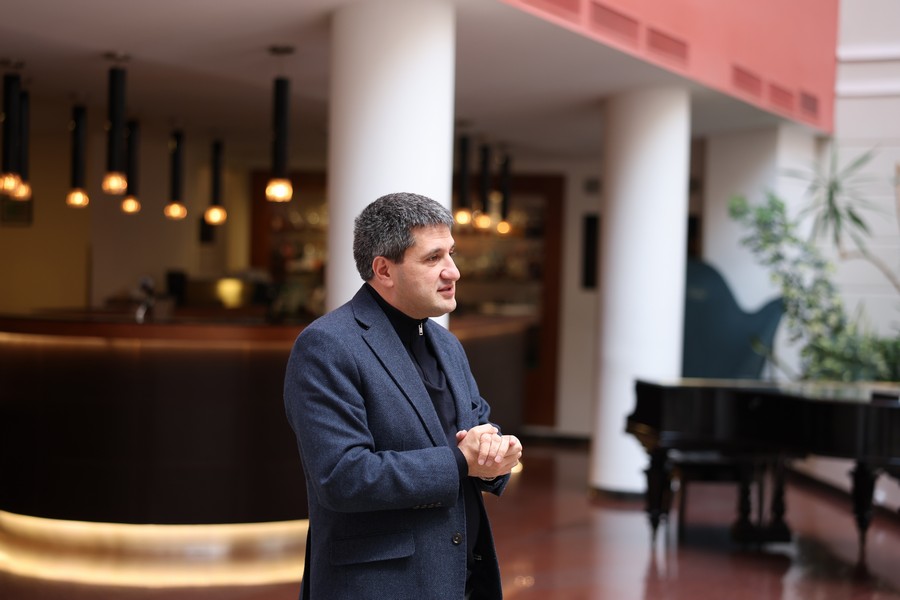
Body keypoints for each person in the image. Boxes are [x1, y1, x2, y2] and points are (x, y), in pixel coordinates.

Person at [284, 192, 523, 600]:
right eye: (433, 258)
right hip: (378, 586)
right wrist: (460, 462)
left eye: (451, 254)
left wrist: (496, 453)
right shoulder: (327, 345)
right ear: (384, 270)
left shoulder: (447, 345)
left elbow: (477, 427)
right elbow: (342, 477)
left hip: (462, 580)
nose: (453, 272)